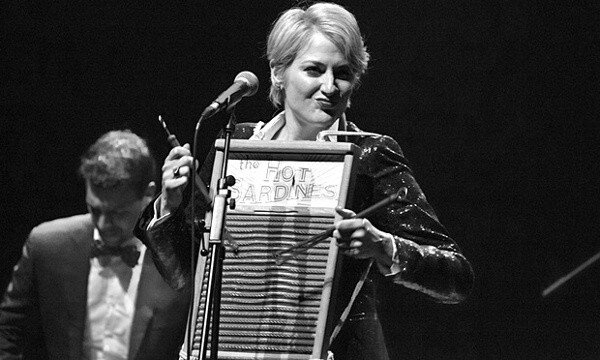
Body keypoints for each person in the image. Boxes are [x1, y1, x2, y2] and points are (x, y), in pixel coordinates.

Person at [135, 3, 474, 360]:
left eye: (342, 73)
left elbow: (456, 276)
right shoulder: (239, 146)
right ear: (278, 72)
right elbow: (184, 274)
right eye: (314, 70)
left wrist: (382, 245)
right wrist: (170, 205)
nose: (330, 86)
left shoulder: (370, 155)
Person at [0, 130, 191, 360]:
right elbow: (8, 333)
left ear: (149, 194)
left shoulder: (178, 258)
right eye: (94, 210)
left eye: (117, 213)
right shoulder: (46, 244)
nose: (102, 224)